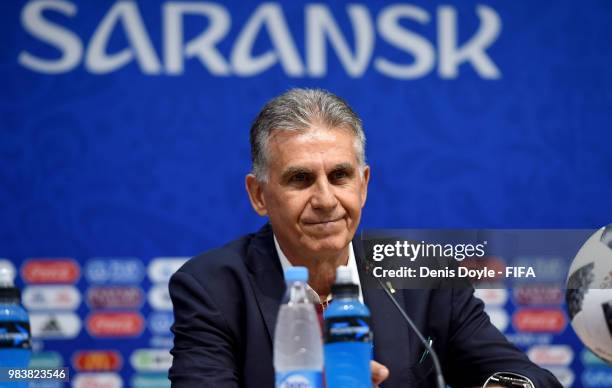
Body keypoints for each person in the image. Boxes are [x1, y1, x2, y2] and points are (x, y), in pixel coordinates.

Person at [168, 88, 561, 387]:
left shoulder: (423, 272)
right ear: (258, 195)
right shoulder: (213, 287)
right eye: (300, 179)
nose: (325, 199)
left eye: (340, 176)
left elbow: (527, 376)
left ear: (364, 184)